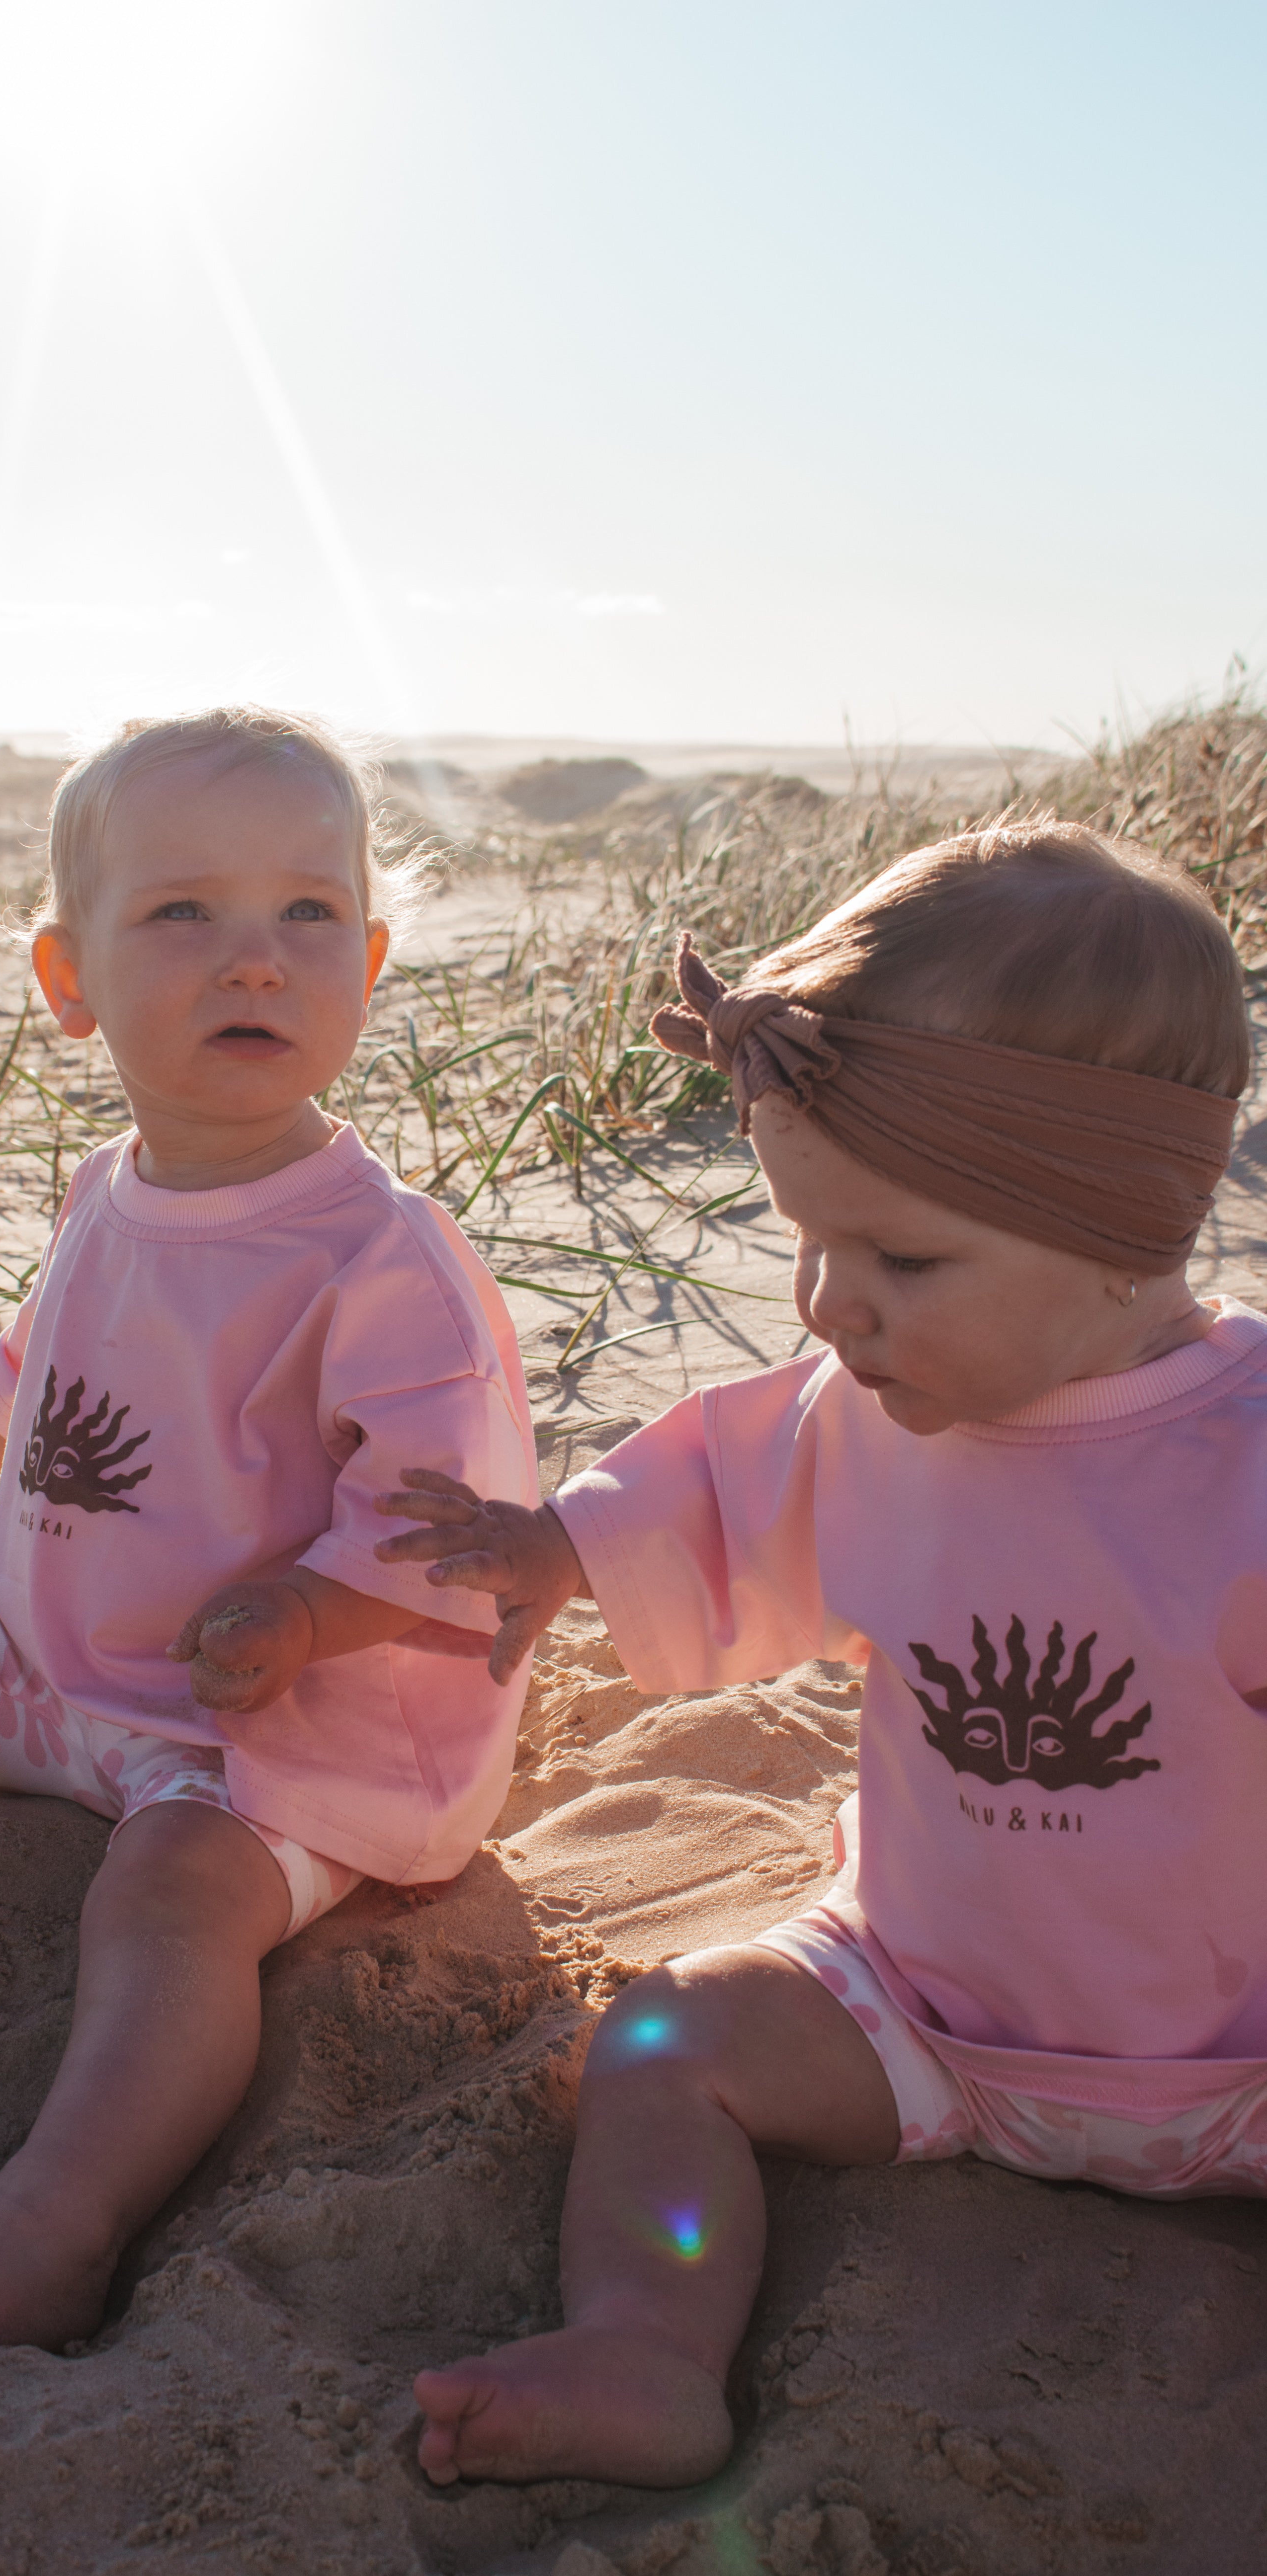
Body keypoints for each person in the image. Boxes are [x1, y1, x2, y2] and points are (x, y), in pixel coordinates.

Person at [375, 821, 1265, 2489]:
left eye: (900, 1261)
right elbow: (709, 1498)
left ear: (1122, 1230)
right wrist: (559, 1549)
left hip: (1239, 2053)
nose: (823, 1308)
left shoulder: (1248, 1459)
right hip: (929, 2013)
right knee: (659, 2046)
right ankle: (645, 2348)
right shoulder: (862, 1423)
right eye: (807, 1243)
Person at [0, 706, 537, 2354]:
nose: (254, 961)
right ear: (70, 986)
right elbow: (66, 1355)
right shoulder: (104, 1189)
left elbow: (456, 1522)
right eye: (182, 914)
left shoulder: (382, 1258)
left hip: (262, 1728)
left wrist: (307, 1611)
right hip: (64, 1663)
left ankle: (51, 2223)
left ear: (369, 960)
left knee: (171, 1899)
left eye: (307, 916)